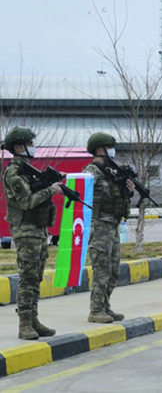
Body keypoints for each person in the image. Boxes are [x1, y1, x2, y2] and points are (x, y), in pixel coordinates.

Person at [1, 127, 62, 340]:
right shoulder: (14, 172)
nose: (33, 148)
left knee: (36, 277)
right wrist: (50, 190)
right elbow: (26, 202)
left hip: (38, 229)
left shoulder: (27, 169)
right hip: (25, 231)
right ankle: (24, 324)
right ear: (19, 147)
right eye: (30, 144)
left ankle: (34, 319)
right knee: (27, 278)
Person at [83, 132, 134, 323]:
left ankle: (105, 306)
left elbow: (115, 197)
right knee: (101, 269)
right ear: (99, 149)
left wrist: (127, 191)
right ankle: (95, 310)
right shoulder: (92, 170)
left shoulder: (112, 172)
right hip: (100, 225)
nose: (113, 151)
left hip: (112, 224)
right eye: (109, 147)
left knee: (113, 269)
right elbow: (85, 190)